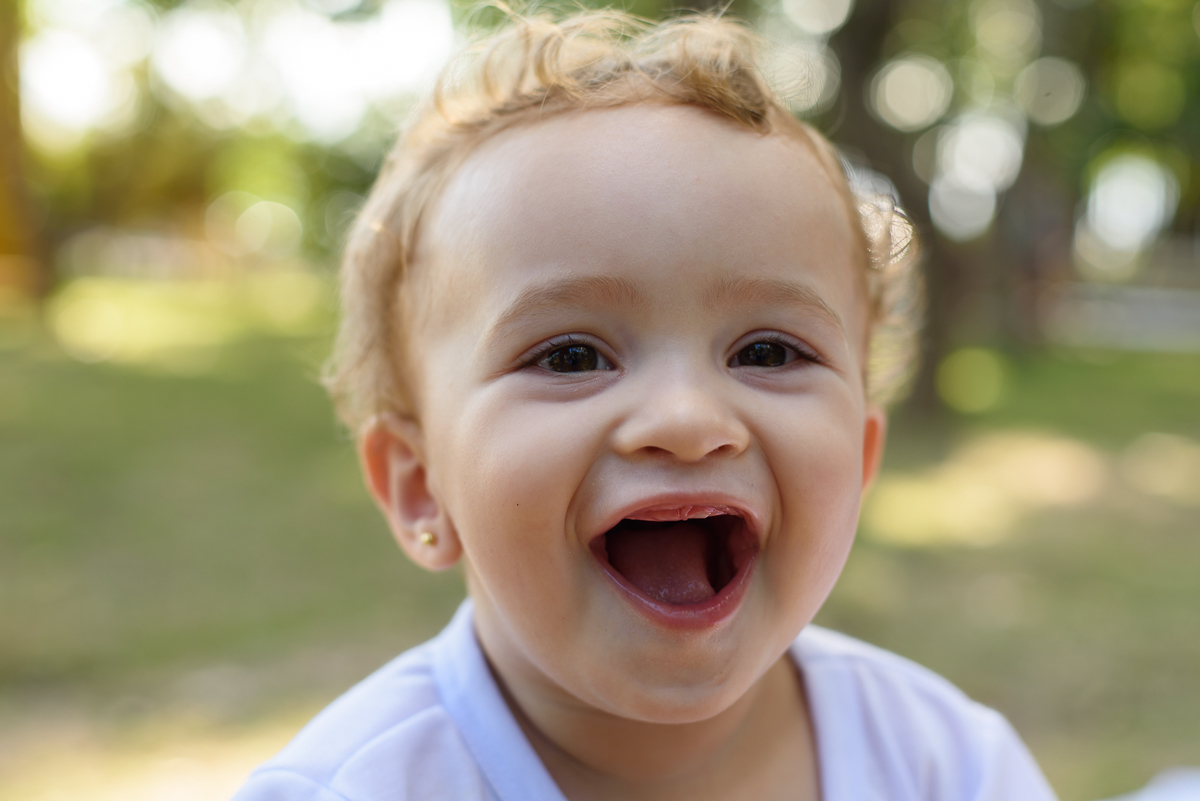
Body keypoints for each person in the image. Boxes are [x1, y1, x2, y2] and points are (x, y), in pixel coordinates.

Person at [232, 9, 1057, 801]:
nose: (687, 419)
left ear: (862, 460)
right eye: (571, 356)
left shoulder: (948, 767)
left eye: (767, 351)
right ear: (420, 484)